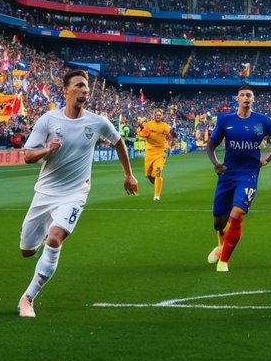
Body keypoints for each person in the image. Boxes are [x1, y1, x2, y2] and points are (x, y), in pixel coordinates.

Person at [17, 70, 137, 318]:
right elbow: (28, 156)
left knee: (54, 240)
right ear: (66, 90)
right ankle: (37, 233)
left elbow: (117, 141)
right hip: (45, 193)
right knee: (27, 251)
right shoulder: (48, 120)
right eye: (80, 86)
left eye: (87, 88)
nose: (85, 91)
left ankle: (27, 299)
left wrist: (128, 174)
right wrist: (46, 150)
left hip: (75, 192)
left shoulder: (97, 121)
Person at [205, 86, 271, 272]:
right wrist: (216, 163)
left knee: (236, 215)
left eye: (249, 95)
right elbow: (211, 144)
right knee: (219, 222)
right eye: (243, 95)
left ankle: (224, 261)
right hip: (228, 174)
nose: (246, 97)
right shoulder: (225, 120)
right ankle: (222, 246)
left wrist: (267, 159)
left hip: (249, 174)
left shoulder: (263, 121)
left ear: (253, 99)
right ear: (237, 98)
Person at [137, 108, 173, 201]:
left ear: (162, 116)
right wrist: (140, 126)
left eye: (160, 115)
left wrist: (169, 142)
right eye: (157, 115)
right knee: (149, 175)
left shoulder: (165, 126)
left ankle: (157, 195)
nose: (158, 116)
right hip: (149, 153)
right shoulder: (149, 125)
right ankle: (157, 184)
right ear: (154, 115)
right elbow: (142, 134)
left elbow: (170, 135)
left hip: (160, 153)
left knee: (158, 173)